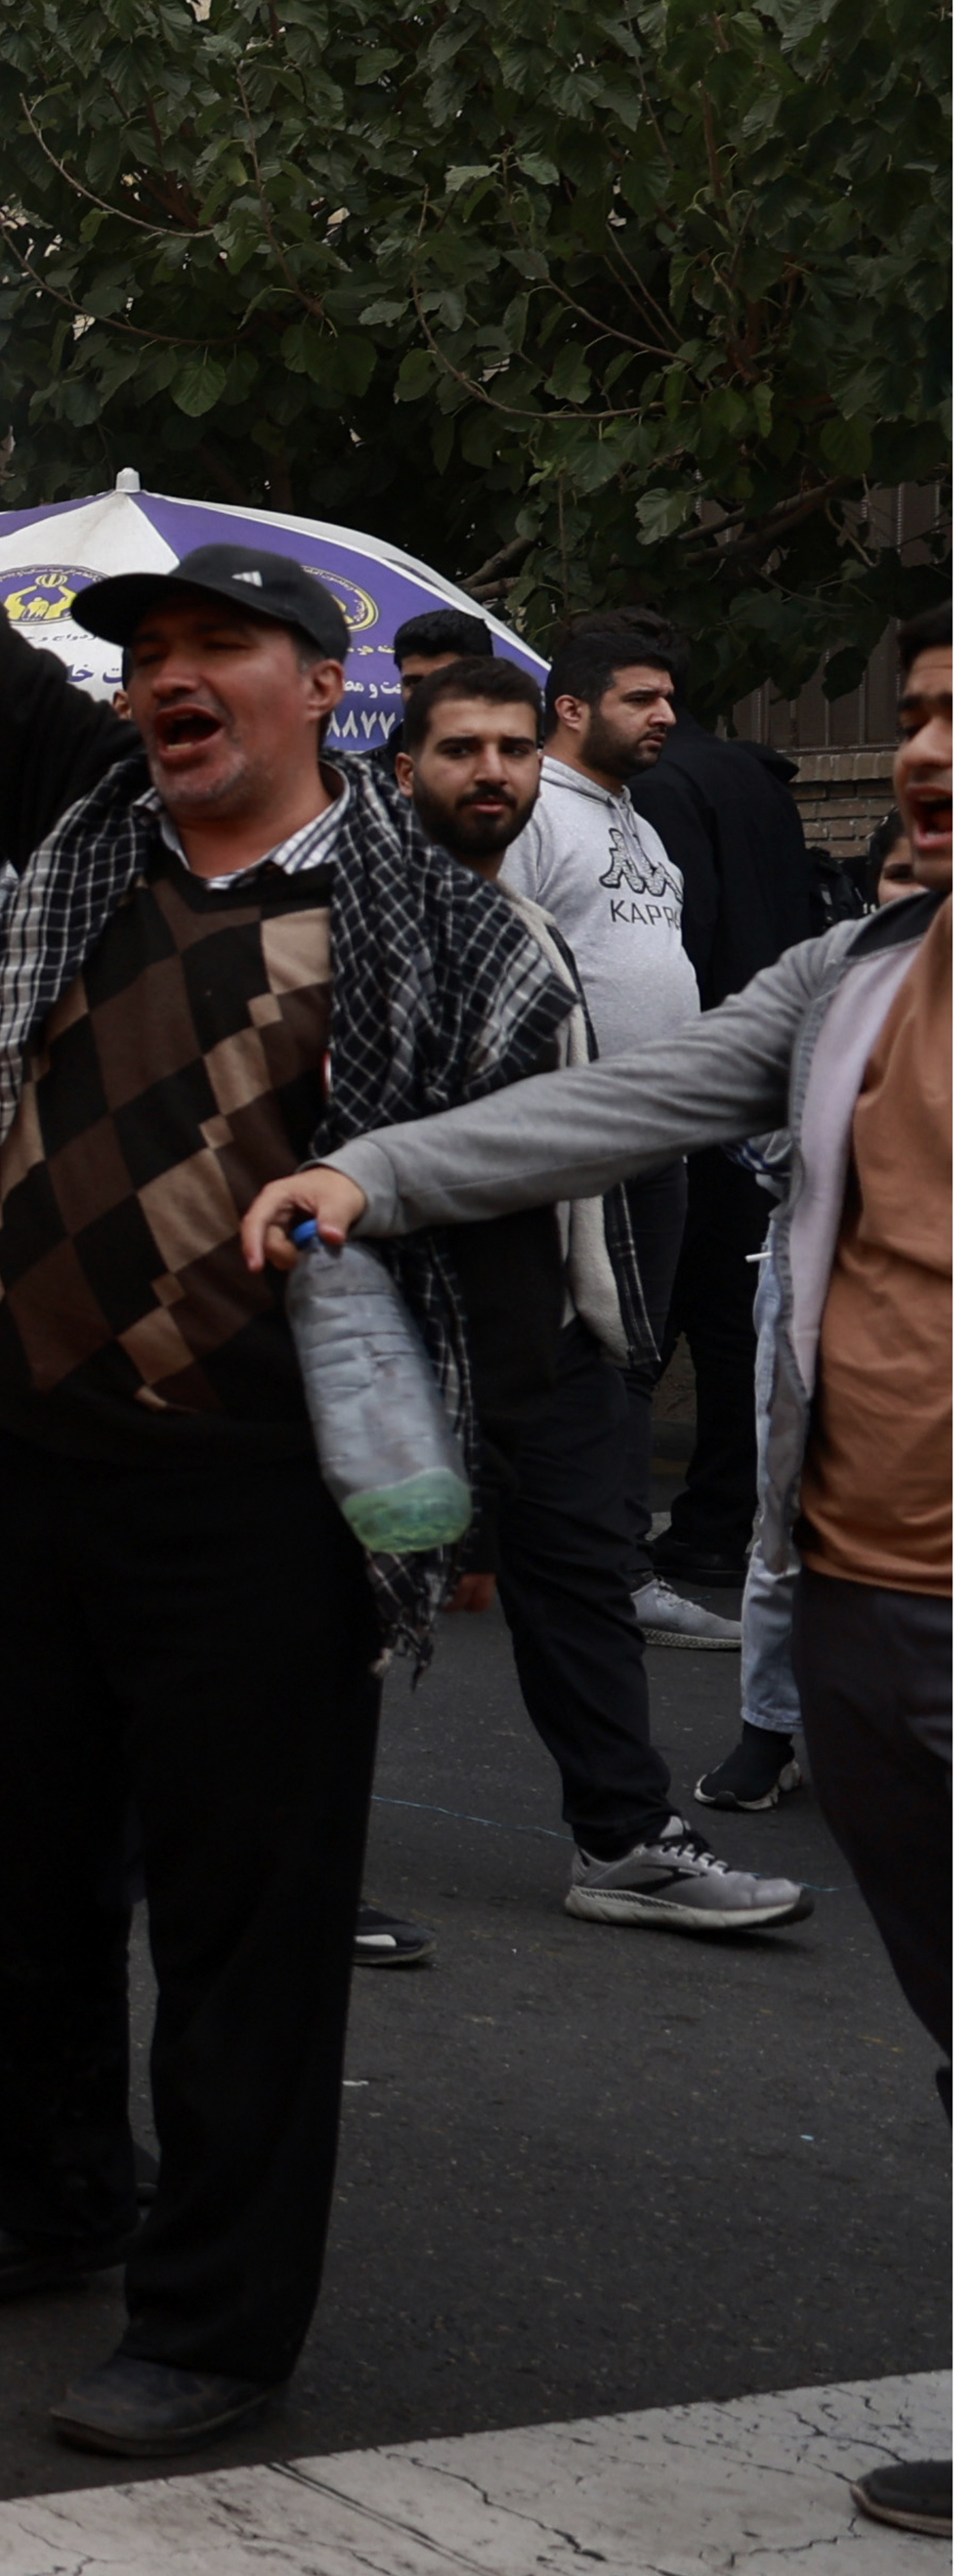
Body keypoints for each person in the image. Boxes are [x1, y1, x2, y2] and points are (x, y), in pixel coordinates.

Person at [0, 225, 573, 2461]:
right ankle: (50, 2193)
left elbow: (511, 1222)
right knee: (2, 1857)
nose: (167, 680)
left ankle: (213, 2326)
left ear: (315, 690)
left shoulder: (442, 932)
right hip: (10, 1450)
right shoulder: (79, 825)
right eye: (145, 655)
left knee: (241, 1921)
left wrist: (478, 1495)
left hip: (253, 1502)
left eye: (217, 648)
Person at [248, 615, 952, 2534]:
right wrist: (376, 1174)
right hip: (866, 1600)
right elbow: (638, 1097)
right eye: (910, 714)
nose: (922, 752)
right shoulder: (865, 970)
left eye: (963, 717)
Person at [379, 661, 801, 1930]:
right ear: (410, 773)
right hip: (396, 1329)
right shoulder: (355, 924)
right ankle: (277, 1860)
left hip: (553, 1317)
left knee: (582, 1569)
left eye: (512, 749)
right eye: (462, 750)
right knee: (324, 1608)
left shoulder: (541, 930)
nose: (493, 772)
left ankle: (623, 1838)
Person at [703, 815, 935, 1817]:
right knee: (784, 1506)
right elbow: (737, 1116)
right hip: (815, 1289)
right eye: (900, 873)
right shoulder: (834, 992)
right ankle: (770, 1725)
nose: (923, 893)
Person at [625, 618, 845, 1612]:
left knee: (650, 1320)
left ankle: (641, 1522)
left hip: (705, 1073)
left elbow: (685, 934)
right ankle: (718, 1522)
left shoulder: (663, 788)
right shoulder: (757, 778)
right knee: (729, 1318)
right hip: (771, 1068)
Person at [522, 616, 721, 1644]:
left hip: (660, 1134)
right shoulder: (531, 812)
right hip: (581, 1132)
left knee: (634, 1353)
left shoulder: (637, 818)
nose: (666, 715)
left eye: (669, 697)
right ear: (571, 706)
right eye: (642, 697)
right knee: (594, 1352)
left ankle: (605, 1556)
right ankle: (606, 1569)